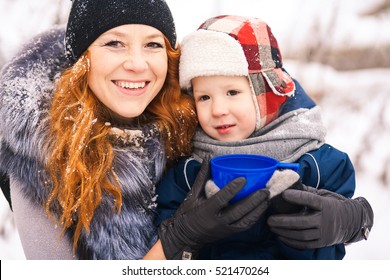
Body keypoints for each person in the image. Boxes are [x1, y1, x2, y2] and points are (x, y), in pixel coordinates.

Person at [0, 2, 270, 260]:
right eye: (115, 43)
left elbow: (279, 99)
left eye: (152, 44)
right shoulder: (42, 155)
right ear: (82, 58)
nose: (138, 64)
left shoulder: (191, 116)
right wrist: (177, 239)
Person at [155, 15, 374, 259]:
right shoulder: (188, 170)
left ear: (266, 95)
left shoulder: (316, 163)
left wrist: (349, 221)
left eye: (232, 92)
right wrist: (185, 234)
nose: (217, 110)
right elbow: (162, 254)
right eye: (204, 97)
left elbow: (329, 256)